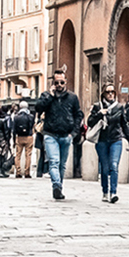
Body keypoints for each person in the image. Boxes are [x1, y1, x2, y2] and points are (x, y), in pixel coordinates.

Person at [29, 68, 84, 200]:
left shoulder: (72, 97)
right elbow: (38, 108)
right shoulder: (47, 96)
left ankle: (59, 187)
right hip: (50, 134)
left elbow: (78, 115)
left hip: (66, 135)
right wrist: (49, 95)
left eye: (61, 82)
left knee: (62, 165)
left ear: (66, 82)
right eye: (56, 83)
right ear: (53, 83)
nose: (59, 85)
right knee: (54, 162)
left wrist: (74, 132)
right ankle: (56, 186)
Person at [85, 83, 129, 202]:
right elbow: (89, 122)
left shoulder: (119, 107)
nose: (110, 94)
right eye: (108, 92)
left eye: (112, 92)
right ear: (103, 94)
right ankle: (105, 191)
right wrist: (99, 113)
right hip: (102, 141)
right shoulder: (97, 106)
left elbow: (124, 125)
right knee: (105, 168)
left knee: (114, 166)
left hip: (116, 140)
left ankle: (113, 192)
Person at [12, 100, 36, 178]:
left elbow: (14, 129)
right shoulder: (31, 116)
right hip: (29, 136)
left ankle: (18, 172)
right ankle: (27, 172)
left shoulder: (16, 117)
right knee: (28, 155)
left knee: (18, 155)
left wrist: (13, 140)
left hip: (19, 137)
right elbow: (32, 126)